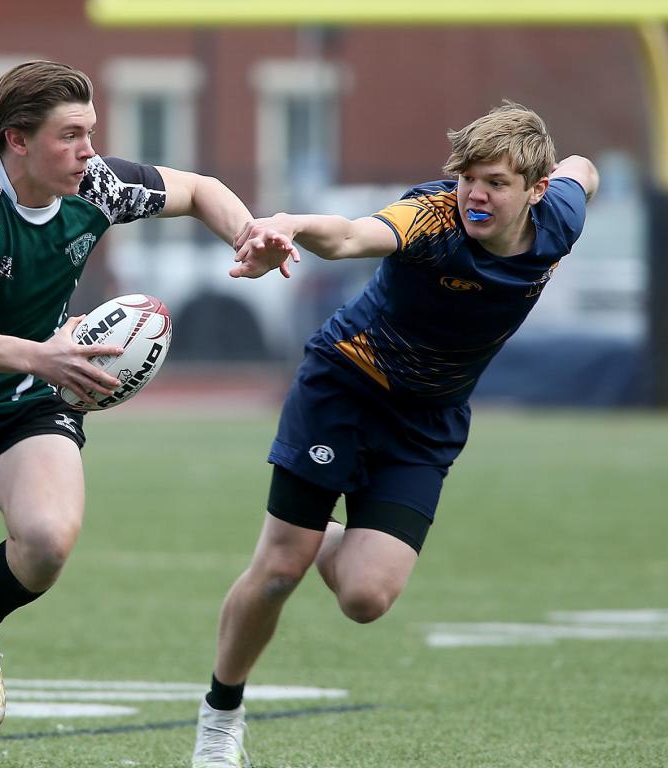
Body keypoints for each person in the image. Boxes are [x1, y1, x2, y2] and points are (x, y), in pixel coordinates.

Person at [0, 60, 286, 767]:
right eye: (71, 136)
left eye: (91, 133)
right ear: (17, 140)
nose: (89, 151)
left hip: (26, 406)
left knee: (47, 539)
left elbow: (199, 189)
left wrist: (247, 235)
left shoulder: (94, 184)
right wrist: (40, 354)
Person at [190, 102, 599, 767]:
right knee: (277, 574)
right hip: (345, 385)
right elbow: (351, 236)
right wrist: (288, 225)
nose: (476, 194)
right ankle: (219, 718)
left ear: (535, 189)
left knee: (366, 597)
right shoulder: (434, 219)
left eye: (495, 181)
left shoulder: (561, 216)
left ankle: (308, 533)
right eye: (468, 177)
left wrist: (577, 170)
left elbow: (584, 169)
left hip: (428, 419)